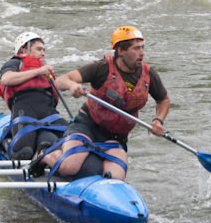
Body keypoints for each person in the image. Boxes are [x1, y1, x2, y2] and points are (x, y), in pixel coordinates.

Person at [34, 26, 169, 180]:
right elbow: (60, 81)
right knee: (69, 167)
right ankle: (45, 154)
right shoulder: (102, 68)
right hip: (87, 126)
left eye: (142, 48)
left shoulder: (149, 74)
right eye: (136, 48)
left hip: (116, 136)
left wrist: (159, 119)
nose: (142, 53)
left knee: (116, 179)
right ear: (120, 51)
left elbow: (163, 100)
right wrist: (72, 86)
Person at [0, 31, 67, 159]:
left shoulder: (46, 71)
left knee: (71, 141)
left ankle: (43, 148)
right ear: (24, 51)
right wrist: (39, 71)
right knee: (23, 152)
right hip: (24, 113)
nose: (43, 53)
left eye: (44, 50)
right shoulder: (16, 62)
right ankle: (5, 140)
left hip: (49, 116)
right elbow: (6, 79)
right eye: (39, 49)